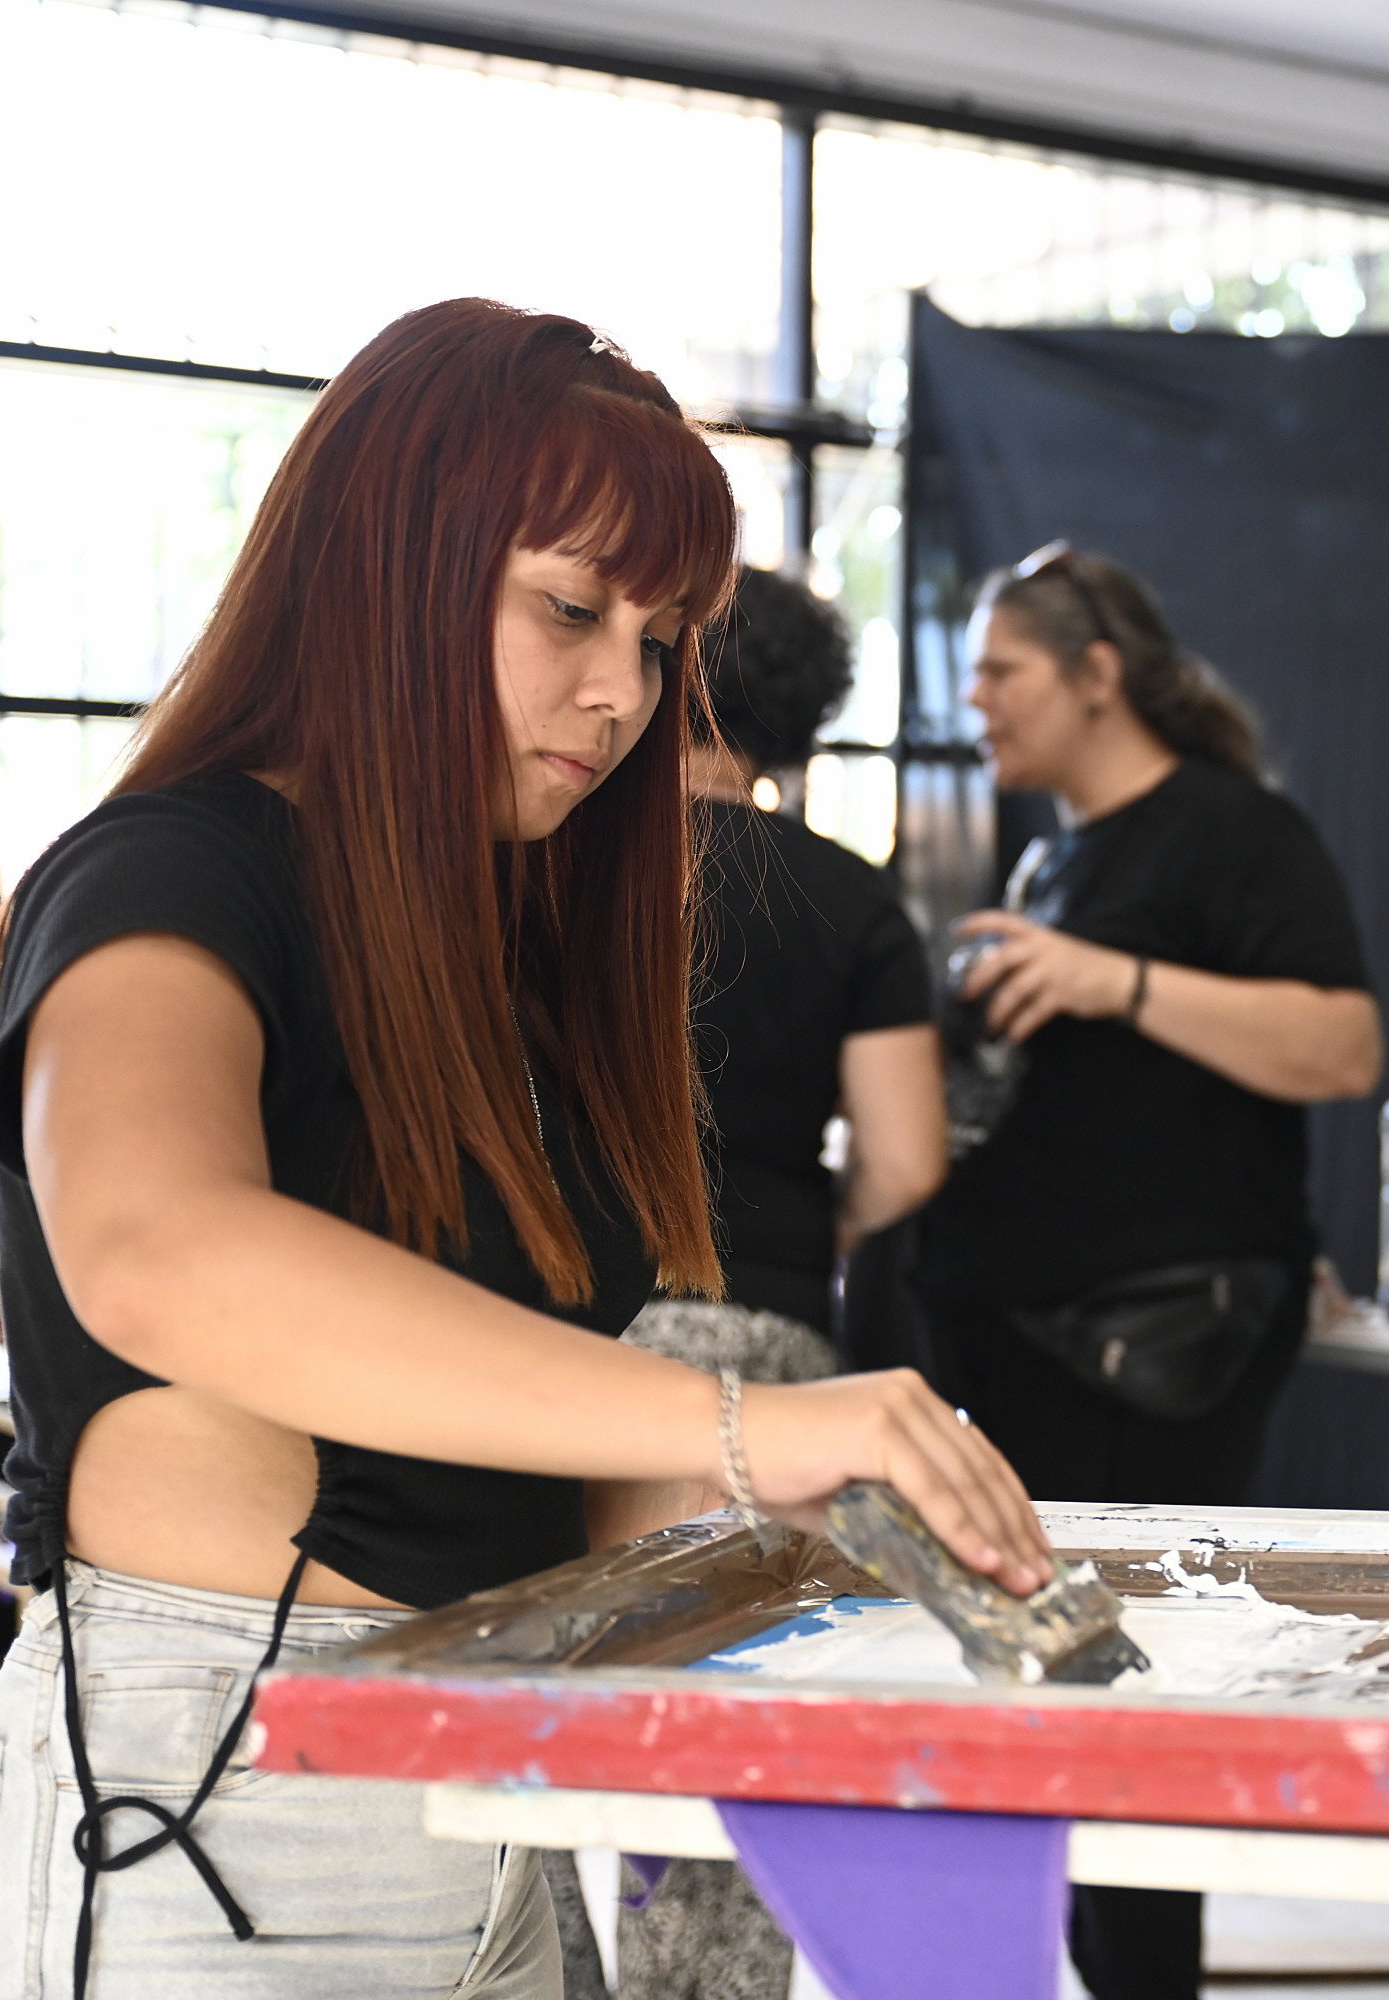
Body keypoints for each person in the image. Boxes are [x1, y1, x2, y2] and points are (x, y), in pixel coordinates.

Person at [0, 299, 1050, 2000]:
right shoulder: (167, 873)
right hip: (203, 1813)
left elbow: (510, 1483)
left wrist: (835, 1530)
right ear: (384, 566)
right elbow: (158, 1249)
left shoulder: (507, 955)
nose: (623, 691)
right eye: (572, 608)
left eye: (663, 641)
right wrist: (743, 1420)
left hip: (476, 1801)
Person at [912, 543, 1380, 2000]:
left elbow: (1346, 1047)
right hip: (1021, 1354)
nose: (974, 699)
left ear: (1097, 675)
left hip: (1150, 1358)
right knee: (1047, 1723)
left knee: (1120, 1719)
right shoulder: (1055, 852)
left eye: (1002, 669)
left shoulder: (1235, 833)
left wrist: (1116, 982)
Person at [608, 567, 948, 2000]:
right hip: (775, 1353)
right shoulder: (854, 902)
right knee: (739, 1742)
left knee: (559, 1733)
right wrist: (821, 1225)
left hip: (573, 1342)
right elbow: (910, 1158)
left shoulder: (568, 864)